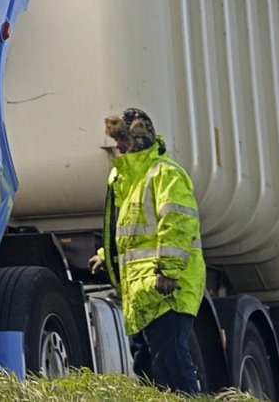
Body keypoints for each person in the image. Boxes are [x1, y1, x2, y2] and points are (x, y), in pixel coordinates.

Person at [88, 108, 205, 395]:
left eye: (122, 139)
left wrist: (168, 271)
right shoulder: (129, 178)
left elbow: (178, 223)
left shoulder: (165, 174)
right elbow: (133, 230)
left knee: (172, 367)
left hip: (168, 290)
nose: (117, 145)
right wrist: (107, 255)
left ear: (139, 139)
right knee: (149, 372)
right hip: (144, 292)